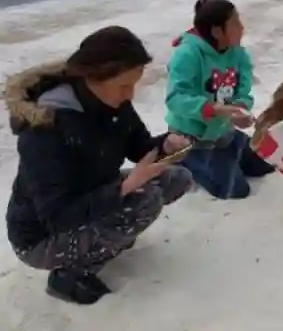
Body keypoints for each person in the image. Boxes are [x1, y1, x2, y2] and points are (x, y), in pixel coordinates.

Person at [4, 26, 193, 305]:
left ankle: (106, 237)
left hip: (91, 195)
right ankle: (69, 274)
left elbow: (139, 146)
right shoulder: (46, 130)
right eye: (124, 86)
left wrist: (166, 144)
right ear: (93, 77)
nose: (130, 95)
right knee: (145, 199)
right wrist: (126, 187)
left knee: (176, 178)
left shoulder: (112, 103)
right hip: (40, 237)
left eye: (134, 85)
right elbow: (58, 215)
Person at [166, 0, 258, 199]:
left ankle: (228, 155)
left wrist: (241, 107)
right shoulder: (188, 54)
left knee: (265, 164)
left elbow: (244, 89)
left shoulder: (238, 54)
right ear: (217, 31)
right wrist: (213, 110)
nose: (242, 28)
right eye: (235, 23)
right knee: (236, 191)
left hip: (223, 132)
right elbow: (175, 98)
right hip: (195, 137)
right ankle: (183, 158)